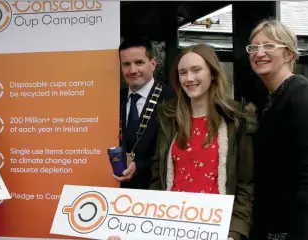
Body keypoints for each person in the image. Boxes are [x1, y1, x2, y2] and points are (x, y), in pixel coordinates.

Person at [108, 44, 256, 240]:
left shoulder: (237, 119)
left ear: (212, 72)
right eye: (183, 72)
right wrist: (142, 228)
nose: (189, 78)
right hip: (171, 228)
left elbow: (246, 187)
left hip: (215, 229)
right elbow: (157, 179)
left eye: (196, 70)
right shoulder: (169, 118)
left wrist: (234, 234)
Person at [247, 19, 308, 240]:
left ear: (289, 54)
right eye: (254, 47)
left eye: (269, 46)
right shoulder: (271, 97)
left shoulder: (305, 97)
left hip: (302, 230)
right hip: (276, 225)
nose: (259, 53)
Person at [114, 37, 174, 189]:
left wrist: (140, 165)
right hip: (115, 190)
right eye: (126, 64)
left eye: (139, 63)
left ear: (153, 64)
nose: (132, 70)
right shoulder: (113, 99)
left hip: (156, 190)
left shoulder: (171, 99)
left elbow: (174, 150)